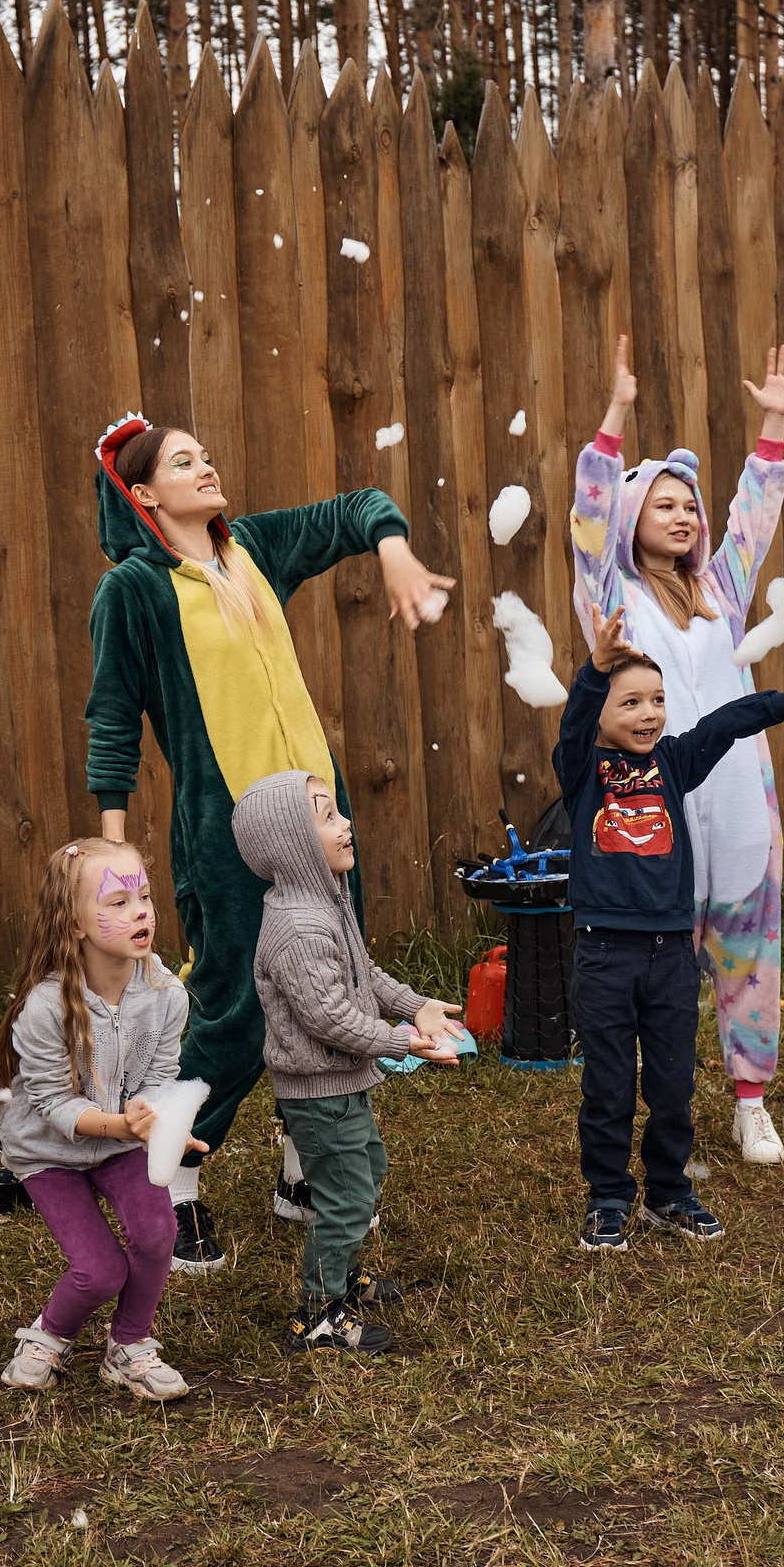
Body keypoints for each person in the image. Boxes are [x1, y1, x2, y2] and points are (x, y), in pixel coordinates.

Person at [85, 415, 456, 1274]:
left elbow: (359, 507)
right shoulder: (135, 590)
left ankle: (307, 1169)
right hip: (228, 838)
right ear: (144, 494)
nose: (207, 464)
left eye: (207, 452)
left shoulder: (252, 547)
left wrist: (392, 548)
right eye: (185, 460)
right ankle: (170, 1175)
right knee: (236, 1014)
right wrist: (111, 853)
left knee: (335, 985)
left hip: (318, 826)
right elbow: (111, 720)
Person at [571, 335, 784, 1165]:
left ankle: (750, 1099)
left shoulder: (723, 592)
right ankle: (657, 1102)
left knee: (748, 949)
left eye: (689, 506)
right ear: (635, 518)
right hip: (652, 810)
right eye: (664, 503)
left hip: (739, 801)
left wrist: (771, 427)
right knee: (662, 966)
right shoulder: (614, 599)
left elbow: (752, 516)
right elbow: (587, 527)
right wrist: (615, 419)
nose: (683, 514)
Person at [558, 607, 784, 1253]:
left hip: (671, 954)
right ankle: (609, 1196)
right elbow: (575, 722)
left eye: (658, 700)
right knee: (607, 1085)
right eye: (630, 701)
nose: (648, 713)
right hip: (603, 954)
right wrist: (595, 670)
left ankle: (668, 1191)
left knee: (672, 1082)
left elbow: (724, 724)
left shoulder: (672, 762)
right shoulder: (582, 772)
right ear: (603, 713)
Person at [231, 771, 460, 1354]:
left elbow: (363, 975)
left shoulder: (325, 903)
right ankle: (317, 1315)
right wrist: (404, 1041)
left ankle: (343, 1274)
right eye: (327, 816)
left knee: (366, 1174)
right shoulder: (300, 927)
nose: (346, 824)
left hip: (339, 1082)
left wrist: (417, 1004)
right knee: (347, 1197)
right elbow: (328, 1018)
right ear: (294, 845)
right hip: (318, 1091)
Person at [0, 837, 204, 1401]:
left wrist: (166, 1121)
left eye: (143, 895)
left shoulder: (165, 995)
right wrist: (126, 1126)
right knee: (100, 1271)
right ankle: (47, 1336)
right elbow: (53, 1104)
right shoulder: (45, 1009)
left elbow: (161, 1077)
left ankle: (129, 1345)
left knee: (160, 1234)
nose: (139, 911)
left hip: (121, 1140)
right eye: (115, 902)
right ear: (75, 924)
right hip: (48, 1151)